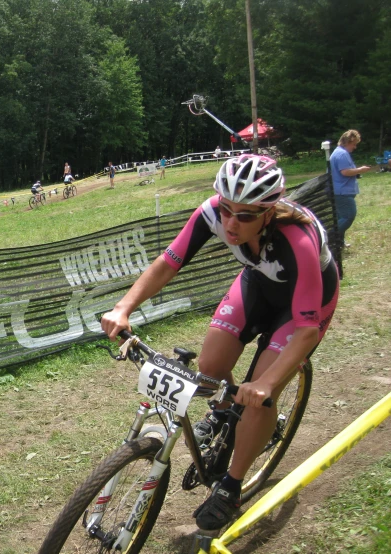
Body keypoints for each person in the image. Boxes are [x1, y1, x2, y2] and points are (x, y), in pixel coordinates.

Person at [101, 154, 339, 531]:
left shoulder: (297, 239)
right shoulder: (212, 212)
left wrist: (263, 385)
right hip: (259, 283)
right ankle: (225, 411)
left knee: (263, 393)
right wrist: (123, 307)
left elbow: (307, 330)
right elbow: (168, 262)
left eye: (245, 215)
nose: (230, 222)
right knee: (210, 369)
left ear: (268, 212)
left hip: (305, 308)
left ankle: (231, 486)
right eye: (226, 209)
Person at [329, 129, 371, 247]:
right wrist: (360, 170)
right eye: (354, 144)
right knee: (348, 216)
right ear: (348, 141)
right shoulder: (342, 154)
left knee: (340, 217)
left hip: (338, 190)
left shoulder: (338, 152)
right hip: (342, 192)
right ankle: (330, 238)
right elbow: (345, 172)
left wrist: (356, 172)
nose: (355, 147)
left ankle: (339, 243)